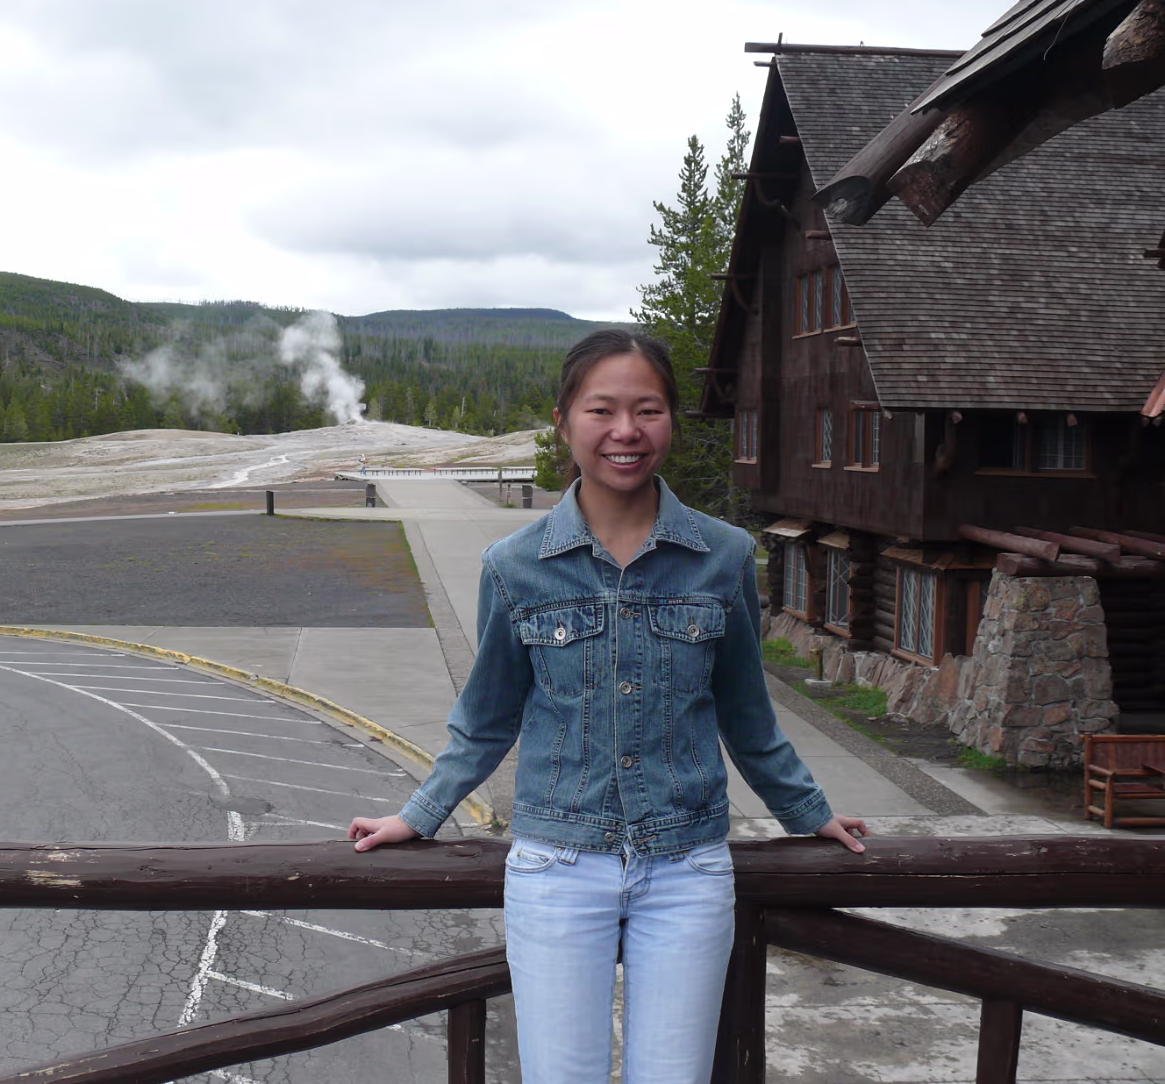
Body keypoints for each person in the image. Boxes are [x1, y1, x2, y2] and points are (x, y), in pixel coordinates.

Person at [349, 329, 867, 1084]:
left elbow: (747, 714)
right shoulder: (514, 566)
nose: (626, 430)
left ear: (671, 420)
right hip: (557, 867)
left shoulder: (723, 555)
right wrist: (419, 814)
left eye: (647, 410)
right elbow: (487, 718)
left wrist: (807, 811)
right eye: (602, 410)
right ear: (564, 422)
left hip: (687, 868)